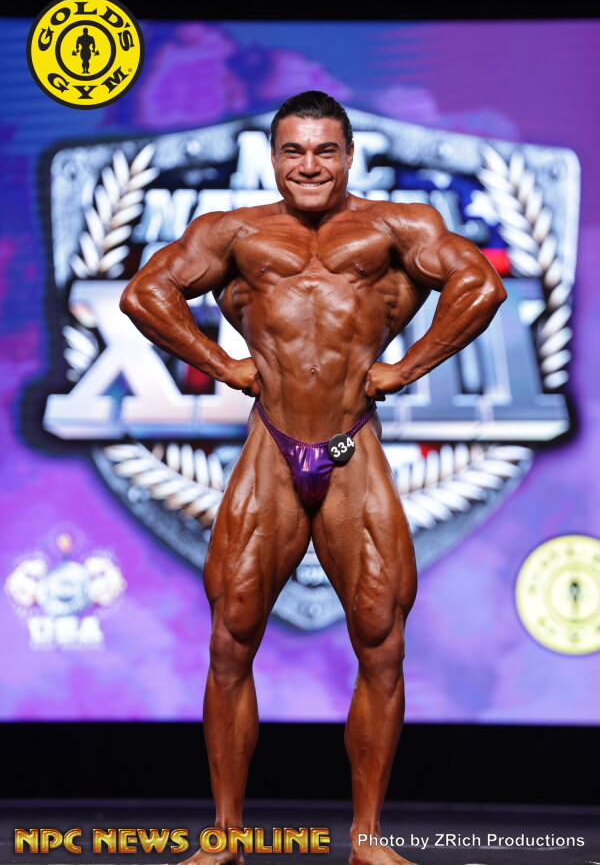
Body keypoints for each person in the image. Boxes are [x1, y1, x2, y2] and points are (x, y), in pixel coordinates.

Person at [120, 90, 507, 865]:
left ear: (348, 154)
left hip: (350, 448)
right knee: (230, 640)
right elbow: (144, 294)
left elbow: (481, 286)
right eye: (294, 150)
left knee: (382, 645)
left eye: (325, 150)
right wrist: (222, 363)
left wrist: (406, 367)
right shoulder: (233, 232)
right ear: (273, 157)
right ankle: (226, 837)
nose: (309, 165)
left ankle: (367, 839)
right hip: (271, 449)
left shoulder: (397, 228)